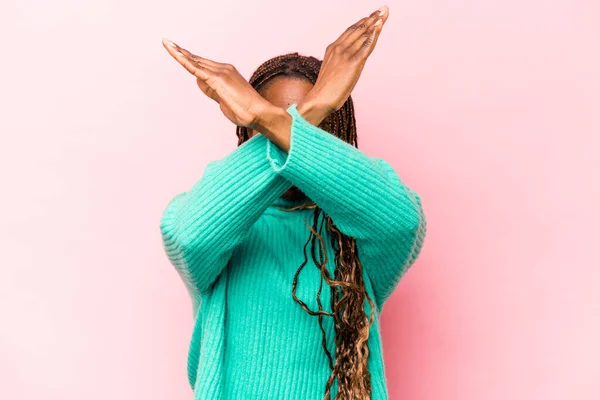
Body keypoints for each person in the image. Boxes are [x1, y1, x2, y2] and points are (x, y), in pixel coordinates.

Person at [159, 5, 427, 399]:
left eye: (315, 128)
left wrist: (269, 119)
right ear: (244, 132)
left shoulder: (356, 233)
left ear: (335, 142)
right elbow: (189, 237)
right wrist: (314, 109)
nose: (287, 140)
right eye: (265, 126)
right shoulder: (223, 228)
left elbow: (403, 221)